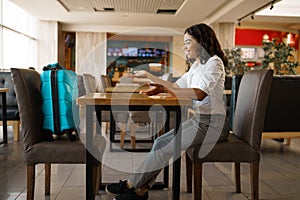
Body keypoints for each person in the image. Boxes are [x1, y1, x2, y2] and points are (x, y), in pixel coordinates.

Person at [105, 23, 230, 200]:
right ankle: (140, 190)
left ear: (201, 42)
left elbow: (200, 94)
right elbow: (176, 86)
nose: (185, 47)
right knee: (159, 143)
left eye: (188, 42)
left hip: (213, 125)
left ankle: (130, 185)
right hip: (199, 120)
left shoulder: (214, 62)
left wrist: (168, 90)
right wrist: (155, 83)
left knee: (165, 150)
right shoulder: (197, 66)